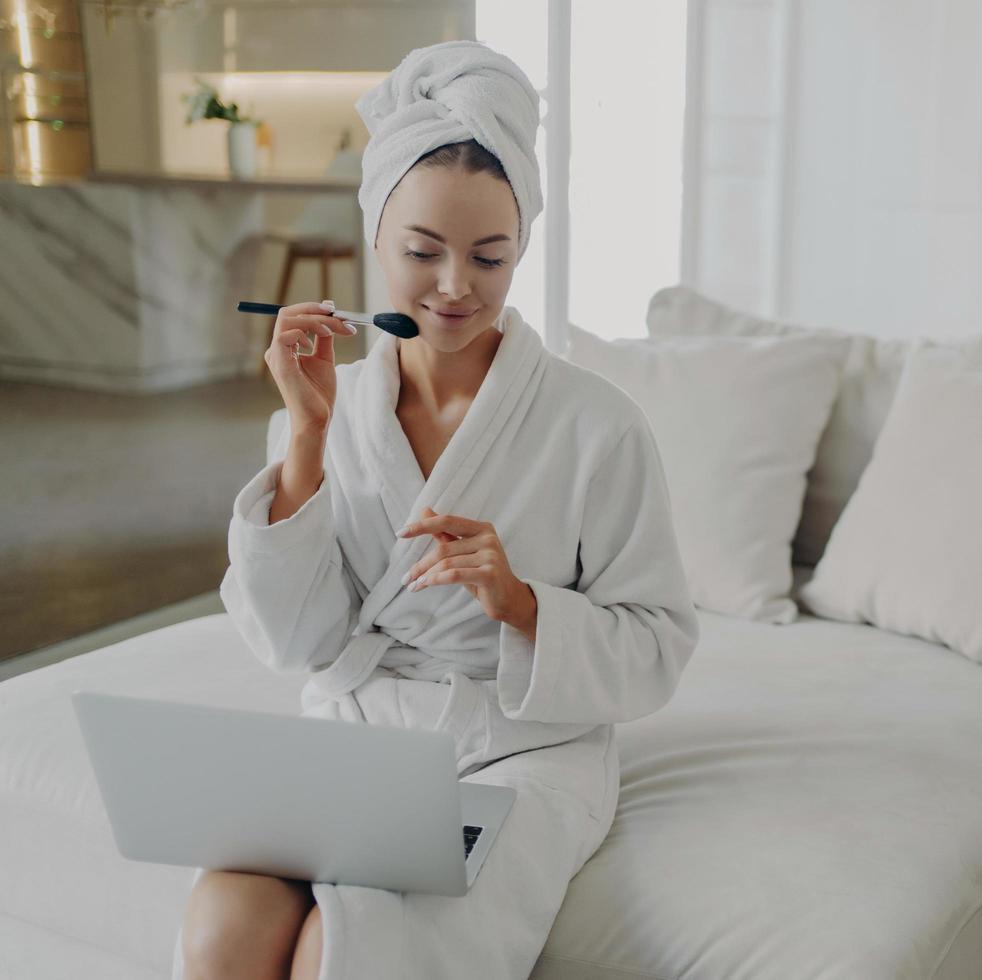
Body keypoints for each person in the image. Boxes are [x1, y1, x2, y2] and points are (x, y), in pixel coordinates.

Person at [172, 40, 699, 980]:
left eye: (490, 257)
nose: (456, 285)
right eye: (422, 252)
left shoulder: (598, 426)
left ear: (521, 249)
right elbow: (293, 644)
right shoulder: (328, 412)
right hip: (360, 736)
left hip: (519, 754)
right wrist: (305, 439)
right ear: (374, 236)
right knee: (226, 919)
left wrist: (521, 604)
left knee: (358, 940)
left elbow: (658, 646)